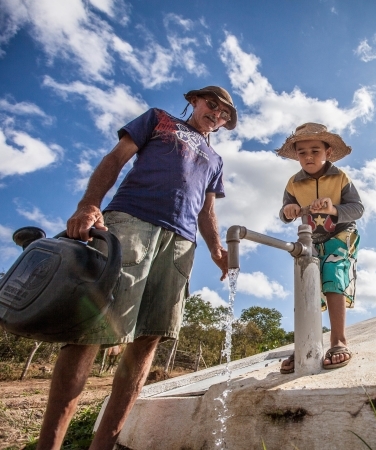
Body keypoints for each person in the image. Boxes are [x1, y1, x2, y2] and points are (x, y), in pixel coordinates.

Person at [36, 86, 237, 450]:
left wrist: (217, 249)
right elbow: (116, 158)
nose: (217, 115)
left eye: (225, 114)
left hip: (179, 245)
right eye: (213, 105)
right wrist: (89, 204)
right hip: (131, 222)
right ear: (194, 101)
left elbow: (207, 211)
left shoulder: (215, 159)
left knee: (148, 339)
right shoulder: (159, 119)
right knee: (90, 330)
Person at [275, 122, 363, 374]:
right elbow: (285, 212)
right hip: (311, 239)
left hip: (340, 233)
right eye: (302, 152)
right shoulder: (294, 183)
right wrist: (287, 211)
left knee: (333, 275)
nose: (308, 156)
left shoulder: (340, 178)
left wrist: (333, 209)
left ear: (328, 152)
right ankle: (305, 343)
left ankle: (338, 341)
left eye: (315, 150)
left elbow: (357, 209)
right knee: (307, 283)